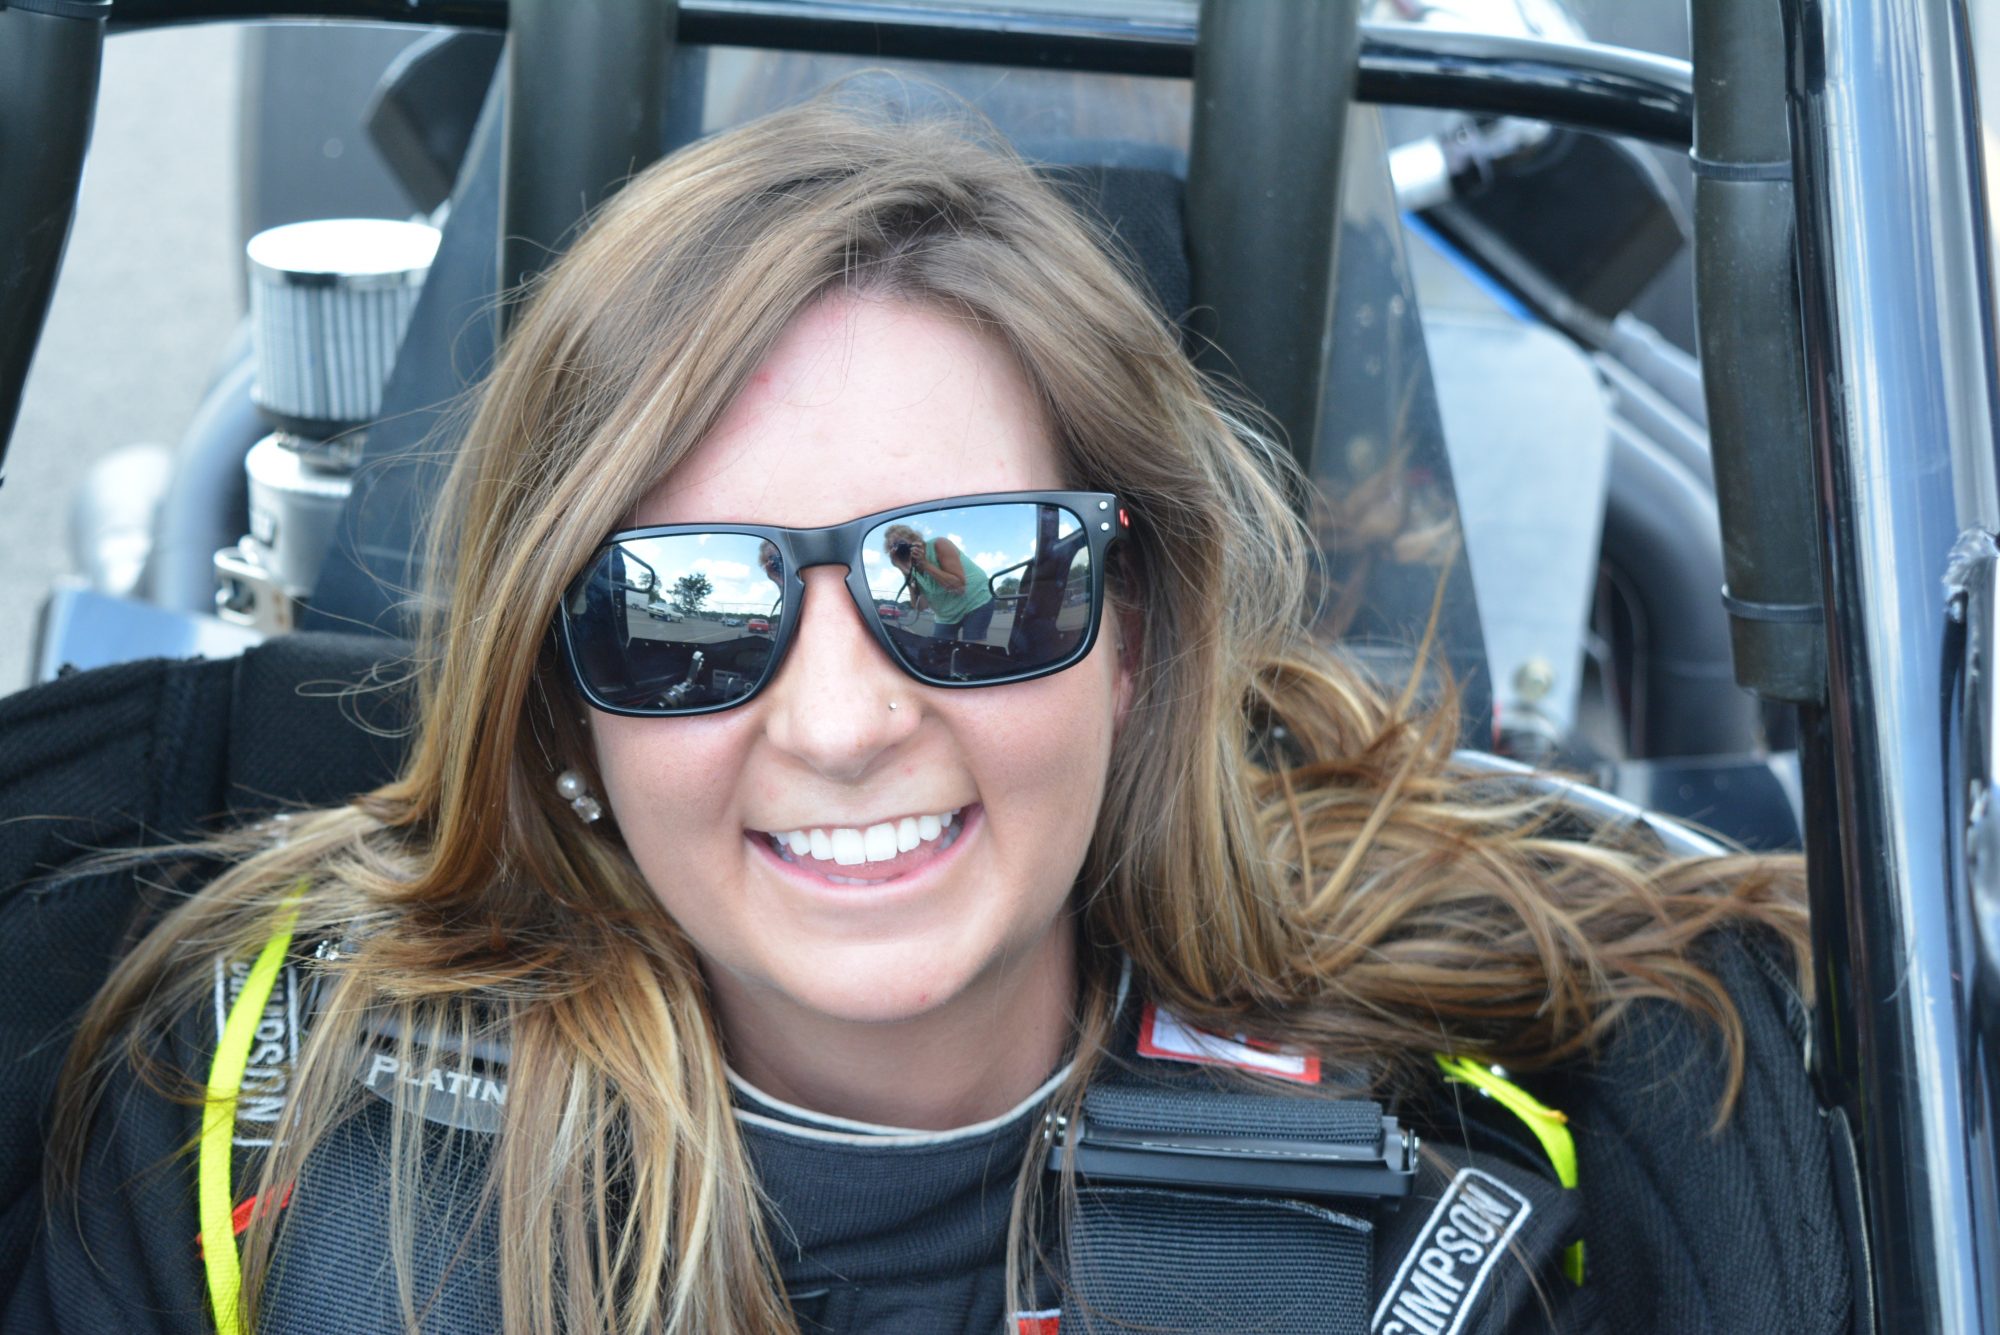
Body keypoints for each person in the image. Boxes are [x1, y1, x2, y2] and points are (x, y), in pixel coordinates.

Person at [3, 89, 1848, 1335]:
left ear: (1140, 631)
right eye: (687, 608)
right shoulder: (255, 1141)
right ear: (559, 703)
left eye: (967, 577)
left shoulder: (1486, 1190)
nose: (839, 720)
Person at [883, 523, 997, 642]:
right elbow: (921, 606)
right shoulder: (910, 568)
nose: (899, 549)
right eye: (893, 547)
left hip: (975, 601)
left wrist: (925, 564)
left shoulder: (939, 545)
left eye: (900, 544)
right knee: (939, 650)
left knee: (971, 649)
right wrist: (904, 570)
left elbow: (959, 587)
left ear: (914, 540)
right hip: (946, 614)